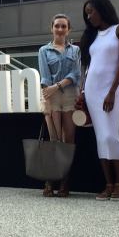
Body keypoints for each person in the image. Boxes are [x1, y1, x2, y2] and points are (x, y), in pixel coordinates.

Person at [80, 0, 119, 201]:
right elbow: (90, 66)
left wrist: (111, 91)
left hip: (112, 91)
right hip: (92, 92)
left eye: (91, 11)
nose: (89, 16)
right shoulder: (93, 36)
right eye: (87, 13)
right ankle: (108, 184)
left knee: (111, 136)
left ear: (103, 9)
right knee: (100, 138)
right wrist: (83, 91)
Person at [37, 13, 81, 197]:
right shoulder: (44, 51)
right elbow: (45, 77)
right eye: (57, 26)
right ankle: (49, 182)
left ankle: (65, 183)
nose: (60, 29)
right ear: (52, 28)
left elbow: (76, 74)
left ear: (68, 29)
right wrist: (47, 101)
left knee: (68, 142)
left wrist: (58, 86)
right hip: (51, 98)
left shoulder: (75, 50)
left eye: (64, 26)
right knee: (54, 141)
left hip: (70, 97)